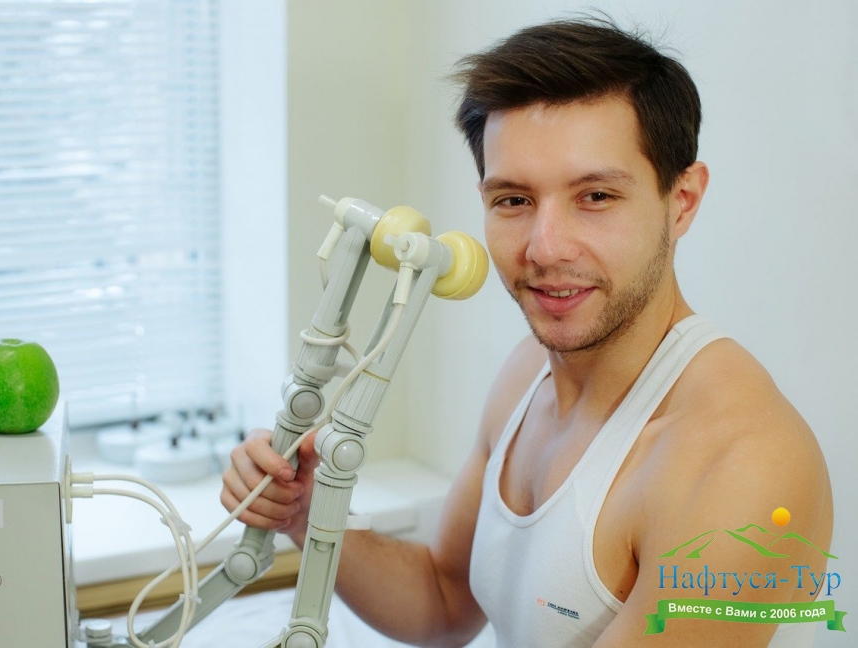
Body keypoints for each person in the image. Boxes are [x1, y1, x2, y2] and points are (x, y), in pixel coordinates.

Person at [221, 17, 834, 647]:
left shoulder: (742, 463)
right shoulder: (527, 373)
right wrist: (307, 513)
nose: (545, 248)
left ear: (682, 201)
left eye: (596, 196)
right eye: (513, 200)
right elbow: (443, 602)